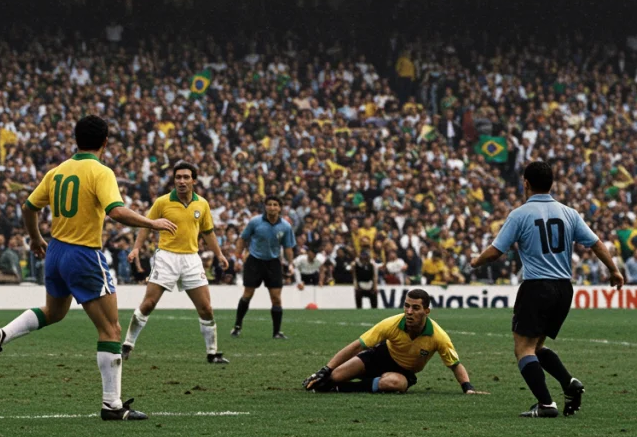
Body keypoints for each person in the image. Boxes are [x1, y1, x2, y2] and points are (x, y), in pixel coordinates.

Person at [0, 115, 177, 421]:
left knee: (54, 312)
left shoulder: (57, 171)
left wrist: (35, 238)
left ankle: (0, 336)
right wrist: (152, 223)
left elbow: (29, 207)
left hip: (56, 252)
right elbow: (116, 211)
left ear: (76, 139)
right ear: (105, 142)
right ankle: (112, 405)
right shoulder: (100, 171)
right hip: (83, 254)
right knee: (111, 329)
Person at [470, 161, 624, 418]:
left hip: (537, 286)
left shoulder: (520, 214)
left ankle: (545, 404)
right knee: (537, 346)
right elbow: (596, 243)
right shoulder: (569, 213)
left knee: (523, 348)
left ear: (526, 183)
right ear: (551, 184)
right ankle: (569, 383)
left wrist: (476, 261)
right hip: (563, 288)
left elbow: (496, 252)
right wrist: (614, 270)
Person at [123, 161, 230, 364]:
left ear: (194, 180)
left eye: (186, 177)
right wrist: (136, 248)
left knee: (206, 308)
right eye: (178, 177)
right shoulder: (162, 202)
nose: (181, 181)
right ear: (174, 180)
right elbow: (146, 226)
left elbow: (208, 232)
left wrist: (219, 254)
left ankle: (212, 353)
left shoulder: (202, 204)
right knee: (149, 303)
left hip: (191, 259)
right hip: (166, 257)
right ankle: (127, 344)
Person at [302, 289, 486, 395]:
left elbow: (455, 364)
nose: (409, 312)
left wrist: (468, 388)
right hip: (378, 357)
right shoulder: (391, 324)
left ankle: (341, 388)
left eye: (416, 308)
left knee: (395, 384)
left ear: (427, 311)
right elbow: (357, 345)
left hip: (403, 371)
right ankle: (331, 382)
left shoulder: (439, 336)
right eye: (407, 306)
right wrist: (326, 369)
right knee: (332, 376)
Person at [231, 196, 296, 339]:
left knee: (276, 298)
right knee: (248, 294)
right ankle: (237, 326)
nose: (272, 207)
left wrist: (291, 263)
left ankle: (277, 332)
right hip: (254, 261)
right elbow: (242, 239)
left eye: (275, 205)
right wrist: (237, 258)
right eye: (269, 205)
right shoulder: (255, 222)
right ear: (265, 207)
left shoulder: (285, 226)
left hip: (273, 263)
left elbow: (288, 247)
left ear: (280, 208)